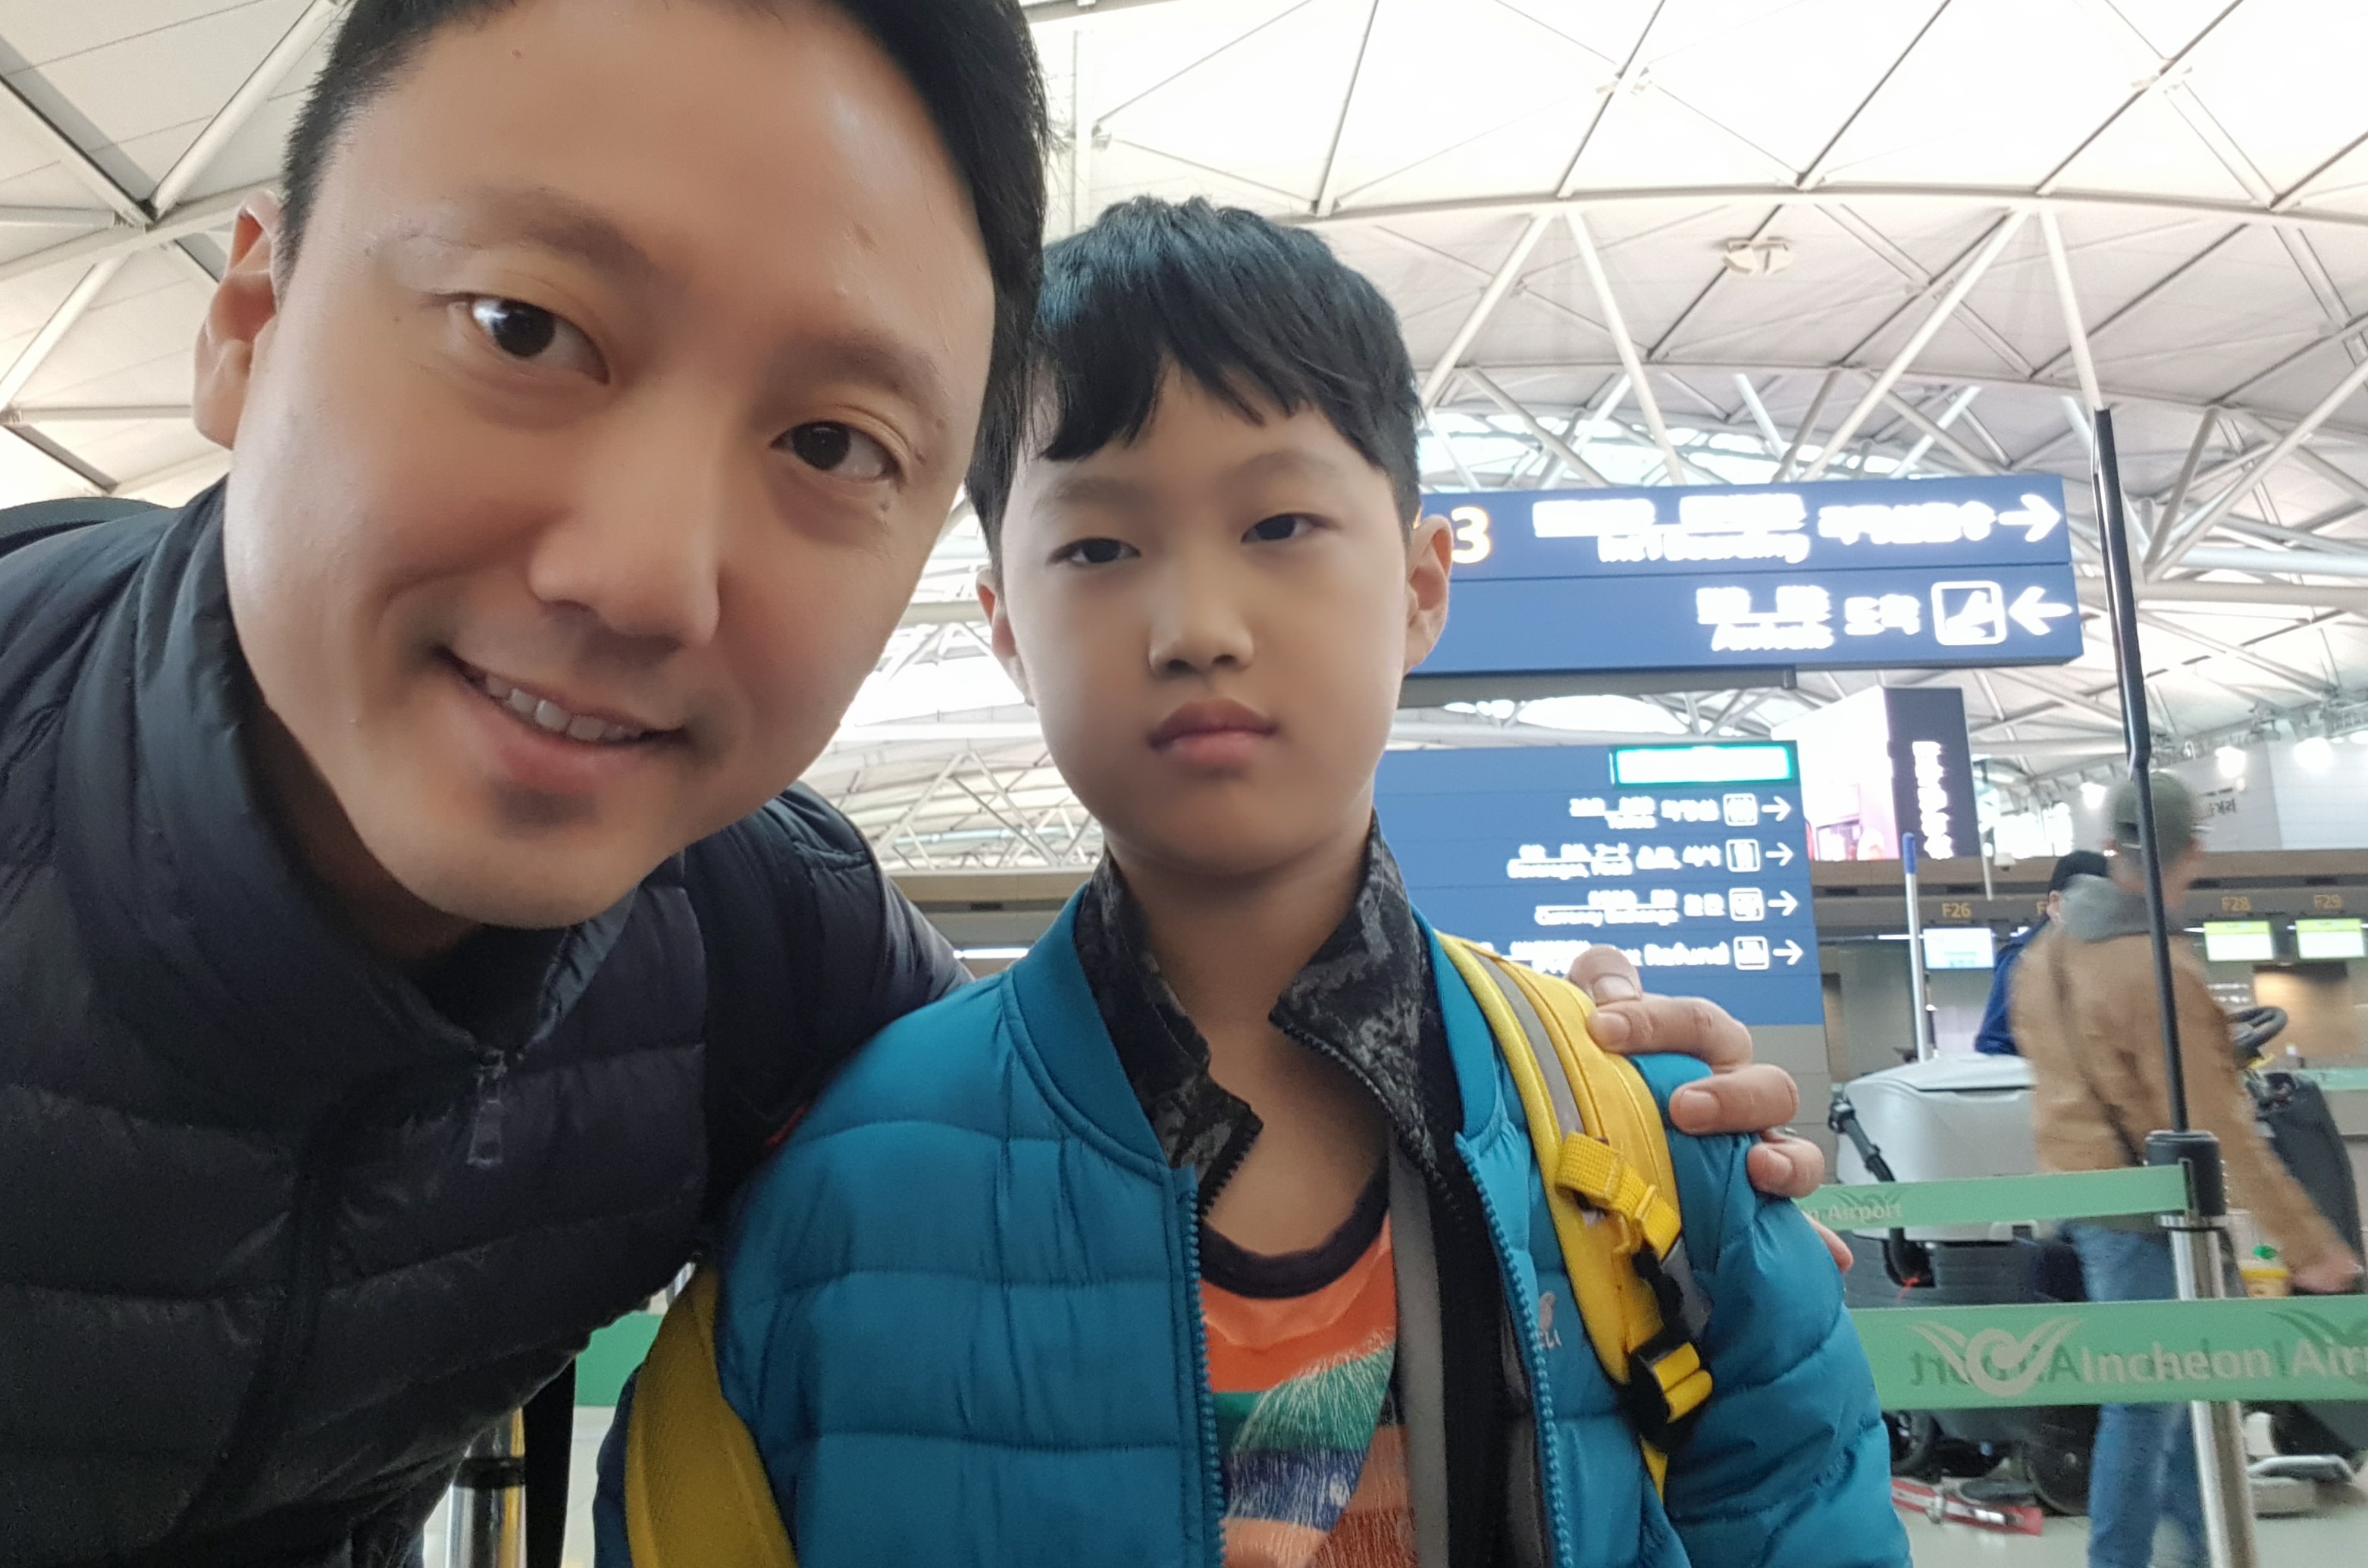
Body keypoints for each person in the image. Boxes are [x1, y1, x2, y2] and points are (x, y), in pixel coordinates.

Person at [0, 0, 1818, 1566]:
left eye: (828, 439)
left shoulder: (770, 958)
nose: (645, 575)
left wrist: (1615, 1081)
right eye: (525, 327)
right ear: (247, 320)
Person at [605, 199, 1905, 1568]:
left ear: (1420, 587)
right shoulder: (838, 1192)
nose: (1197, 627)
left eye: (1279, 523)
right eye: (1098, 549)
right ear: (1004, 625)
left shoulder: (1647, 1147)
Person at [2011, 775, 2363, 1568]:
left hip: (2085, 1198)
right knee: (2150, 1401)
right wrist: (2310, 1246)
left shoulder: (2048, 953)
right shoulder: (2156, 968)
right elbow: (2215, 1125)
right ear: (2194, 851)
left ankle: (2200, 1555)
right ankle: (2120, 1560)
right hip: (2152, 1210)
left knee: (2176, 1395)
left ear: (2112, 846)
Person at [1972, 849, 2106, 1057]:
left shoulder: (2109, 954)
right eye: (2091, 904)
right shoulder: (2022, 960)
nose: (2103, 915)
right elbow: (1995, 1044)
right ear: (2055, 903)